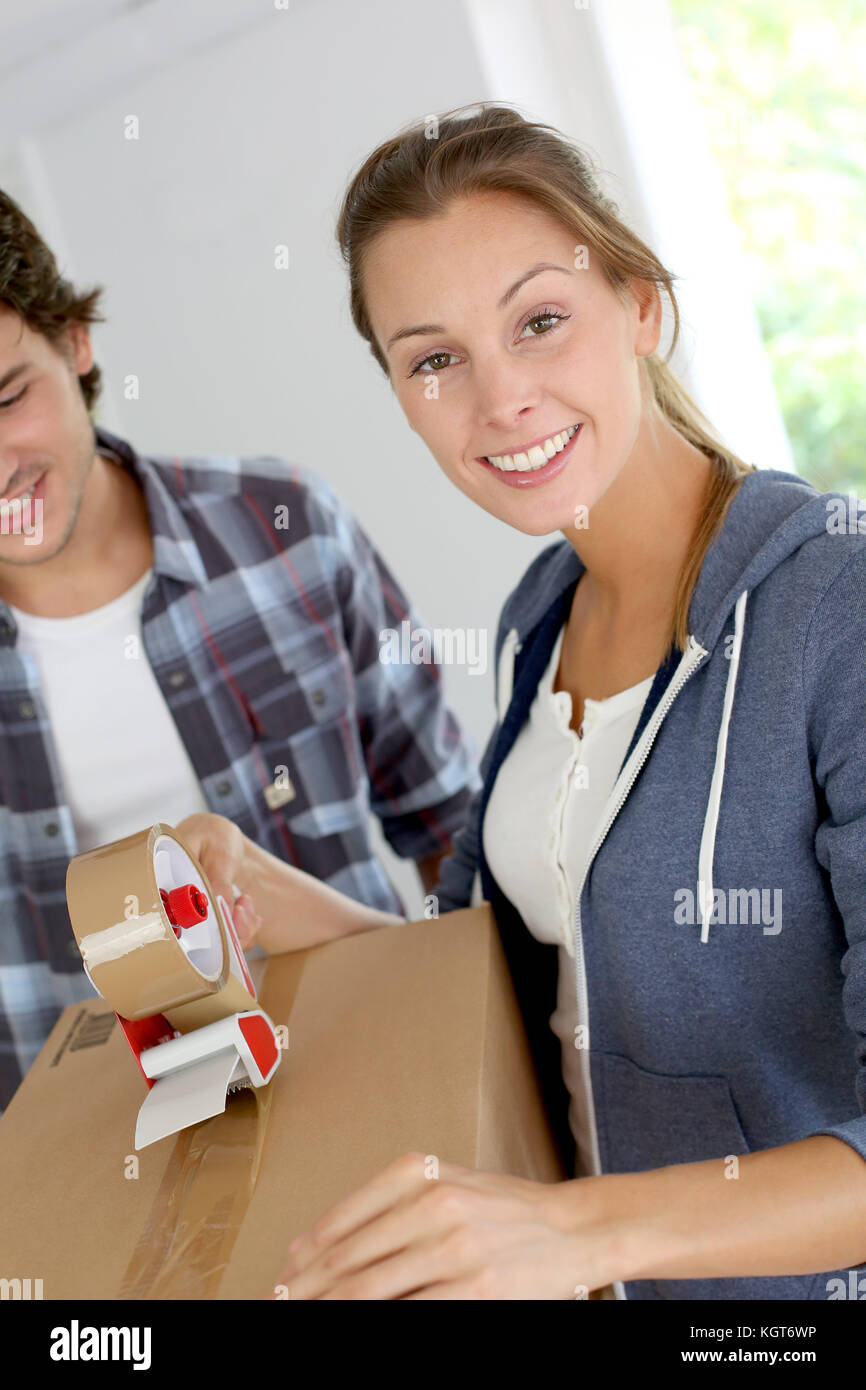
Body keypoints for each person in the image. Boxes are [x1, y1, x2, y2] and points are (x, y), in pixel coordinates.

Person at [180, 104, 866, 1301]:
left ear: (640, 306)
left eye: (538, 321)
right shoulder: (536, 617)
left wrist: (579, 1233)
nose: (499, 401)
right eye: (434, 358)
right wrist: (266, 889)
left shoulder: (834, 614)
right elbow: (527, 980)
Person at [0, 187, 479, 1113]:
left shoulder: (285, 529)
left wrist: (489, 1058)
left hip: (367, 1085)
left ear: (74, 341)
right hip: (89, 1178)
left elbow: (446, 829)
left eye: (8, 395)